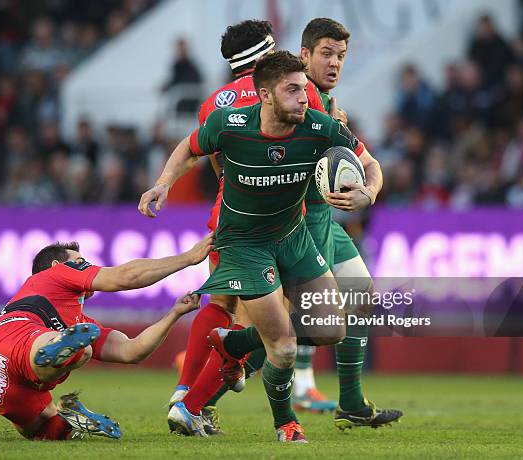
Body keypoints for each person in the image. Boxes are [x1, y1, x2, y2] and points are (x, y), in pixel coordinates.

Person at [139, 50, 378, 442]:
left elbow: (370, 164)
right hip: (245, 245)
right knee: (282, 347)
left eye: (304, 89)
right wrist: (163, 182)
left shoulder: (320, 127)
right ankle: (286, 424)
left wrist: (367, 192)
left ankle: (235, 342)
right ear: (264, 95)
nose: (304, 98)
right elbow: (188, 147)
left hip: (293, 238)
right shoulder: (230, 125)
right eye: (292, 90)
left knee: (331, 328)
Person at [165, 20, 335, 433]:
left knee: (222, 305)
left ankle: (185, 391)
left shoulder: (215, 104)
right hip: (282, 218)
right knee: (272, 323)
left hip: (228, 214)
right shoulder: (299, 91)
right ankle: (201, 401)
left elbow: (209, 156)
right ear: (265, 55)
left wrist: (161, 185)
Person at [0, 236, 213, 440]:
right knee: (83, 350)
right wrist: (189, 258)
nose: (87, 266)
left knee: (49, 432)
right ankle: (58, 350)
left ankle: (70, 415)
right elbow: (125, 277)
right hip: (18, 335)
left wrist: (174, 314)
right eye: (81, 262)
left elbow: (132, 350)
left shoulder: (82, 323)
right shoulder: (57, 273)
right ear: (57, 265)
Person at [298, 18, 403, 427]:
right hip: (299, 222)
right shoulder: (298, 98)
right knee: (295, 326)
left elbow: (369, 163)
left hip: (326, 219)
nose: (335, 63)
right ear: (304, 55)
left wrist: (368, 193)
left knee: (359, 294)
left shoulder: (326, 104)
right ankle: (200, 392)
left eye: (341, 56)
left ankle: (352, 403)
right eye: (326, 53)